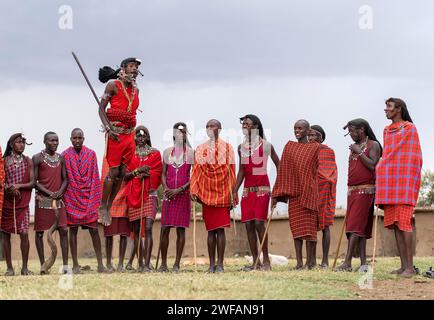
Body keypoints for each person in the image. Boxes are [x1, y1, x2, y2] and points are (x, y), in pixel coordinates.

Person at [375, 98, 423, 277]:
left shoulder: (410, 129)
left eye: (389, 106)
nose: (385, 109)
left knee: (404, 224)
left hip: (404, 183)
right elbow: (388, 155)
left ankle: (410, 267)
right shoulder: (386, 131)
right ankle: (403, 266)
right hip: (390, 182)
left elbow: (413, 156)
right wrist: (381, 168)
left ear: (399, 109)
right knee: (395, 225)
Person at [97, 57, 142, 227]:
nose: (134, 69)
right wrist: (108, 128)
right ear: (123, 68)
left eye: (136, 67)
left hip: (129, 136)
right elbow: (101, 109)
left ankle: (109, 205)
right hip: (115, 133)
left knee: (123, 173)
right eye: (131, 66)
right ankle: (103, 205)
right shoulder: (113, 85)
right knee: (113, 172)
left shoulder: (136, 90)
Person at [233, 115, 279, 271]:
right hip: (247, 191)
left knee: (259, 223)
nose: (244, 126)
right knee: (248, 225)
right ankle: (255, 261)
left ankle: (266, 260)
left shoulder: (265, 145)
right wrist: (234, 190)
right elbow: (241, 172)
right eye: (243, 124)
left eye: (247, 124)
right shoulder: (241, 148)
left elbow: (279, 166)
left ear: (256, 127)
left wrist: (278, 190)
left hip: (262, 190)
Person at [272, 120, 320, 270]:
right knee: (297, 230)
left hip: (310, 192)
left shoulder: (315, 148)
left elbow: (318, 169)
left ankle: (310, 262)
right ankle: (299, 263)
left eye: (300, 128)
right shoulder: (290, 147)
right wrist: (277, 193)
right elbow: (284, 171)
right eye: (295, 128)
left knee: (310, 230)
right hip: (294, 194)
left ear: (307, 130)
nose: (297, 131)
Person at [190, 119, 236, 273]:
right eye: (207, 126)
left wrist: (232, 195)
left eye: (213, 126)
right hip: (206, 194)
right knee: (211, 230)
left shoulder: (228, 148)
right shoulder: (200, 149)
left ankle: (220, 264)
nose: (210, 128)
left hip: (223, 194)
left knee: (220, 230)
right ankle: (211, 265)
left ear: (220, 129)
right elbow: (196, 171)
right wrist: (194, 190)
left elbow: (231, 172)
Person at [336, 119, 381, 272]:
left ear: (362, 129)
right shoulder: (355, 148)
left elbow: (372, 165)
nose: (351, 135)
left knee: (354, 226)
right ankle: (363, 264)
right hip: (353, 191)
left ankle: (347, 262)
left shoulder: (373, 145)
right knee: (359, 228)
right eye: (349, 132)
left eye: (353, 131)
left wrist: (358, 151)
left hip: (365, 190)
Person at [62, 128, 106, 274]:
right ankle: (75, 265)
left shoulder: (91, 154)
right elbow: (65, 178)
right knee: (72, 231)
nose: (77, 140)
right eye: (74, 138)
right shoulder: (65, 155)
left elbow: (95, 176)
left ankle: (100, 264)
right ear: (70, 139)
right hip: (72, 197)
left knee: (94, 231)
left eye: (80, 138)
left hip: (88, 198)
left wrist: (95, 199)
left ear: (84, 139)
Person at [124, 126, 162, 272]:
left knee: (148, 227)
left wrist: (148, 174)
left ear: (147, 137)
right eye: (138, 136)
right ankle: (140, 264)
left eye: (143, 136)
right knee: (137, 230)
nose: (140, 138)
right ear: (134, 138)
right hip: (134, 195)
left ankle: (147, 263)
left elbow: (158, 172)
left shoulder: (155, 154)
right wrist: (136, 172)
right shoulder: (129, 155)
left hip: (150, 195)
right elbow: (125, 176)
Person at [159, 122, 194, 273]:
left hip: (183, 195)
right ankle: (163, 264)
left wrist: (180, 189)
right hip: (168, 195)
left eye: (183, 132)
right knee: (165, 229)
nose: (181, 135)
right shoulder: (167, 152)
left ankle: (177, 264)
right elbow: (163, 173)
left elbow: (194, 176)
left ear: (187, 134)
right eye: (178, 132)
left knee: (180, 230)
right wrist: (166, 188)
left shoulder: (191, 153)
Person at [33, 132, 69, 274]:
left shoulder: (61, 158)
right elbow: (35, 181)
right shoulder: (37, 158)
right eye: (51, 141)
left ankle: (66, 266)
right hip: (43, 200)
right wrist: (49, 193)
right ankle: (43, 266)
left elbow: (65, 179)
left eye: (56, 141)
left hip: (59, 200)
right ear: (44, 142)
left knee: (63, 231)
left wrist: (59, 191)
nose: (54, 143)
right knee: (40, 233)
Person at [1, 134, 34, 276]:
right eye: (19, 142)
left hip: (23, 203)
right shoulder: (4, 161)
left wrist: (18, 186)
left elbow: (33, 183)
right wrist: (9, 187)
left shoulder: (28, 161)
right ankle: (9, 268)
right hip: (7, 203)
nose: (22, 145)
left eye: (23, 142)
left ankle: (25, 267)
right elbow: (1, 181)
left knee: (24, 234)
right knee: (5, 234)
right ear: (11, 144)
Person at [308, 125, 338, 268]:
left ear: (320, 137)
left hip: (324, 194)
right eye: (308, 135)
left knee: (325, 227)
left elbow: (329, 175)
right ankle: (311, 260)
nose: (310, 138)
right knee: (310, 227)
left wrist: (316, 182)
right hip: (308, 194)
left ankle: (325, 260)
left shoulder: (328, 152)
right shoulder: (305, 152)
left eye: (313, 135)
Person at [101, 156, 130, 273]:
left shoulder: (128, 159)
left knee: (123, 234)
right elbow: (104, 178)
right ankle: (108, 263)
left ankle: (121, 264)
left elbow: (129, 176)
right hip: (110, 201)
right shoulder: (107, 159)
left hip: (124, 198)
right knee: (109, 234)